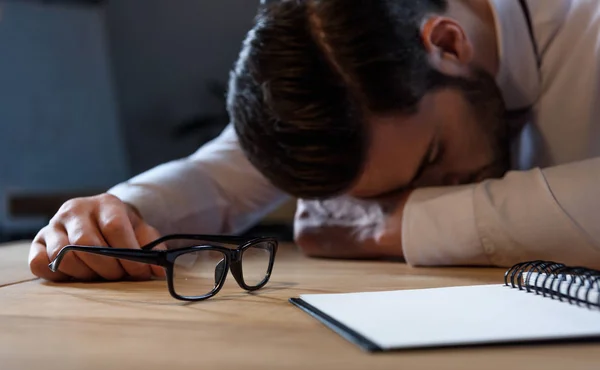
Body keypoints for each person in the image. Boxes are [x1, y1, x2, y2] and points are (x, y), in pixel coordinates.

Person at [29, 0, 600, 282]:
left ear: (447, 44)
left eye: (433, 157)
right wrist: (116, 214)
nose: (418, 193)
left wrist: (398, 226)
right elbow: (219, 177)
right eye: (390, 194)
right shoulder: (350, 80)